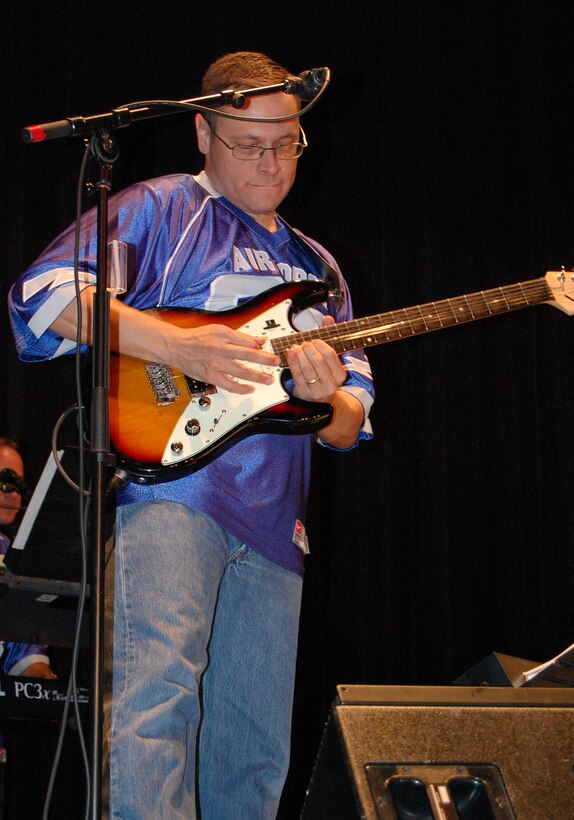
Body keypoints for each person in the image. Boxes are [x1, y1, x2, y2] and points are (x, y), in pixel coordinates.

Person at [8, 51, 375, 818]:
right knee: (157, 707)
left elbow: (350, 423)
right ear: (203, 132)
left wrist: (330, 392)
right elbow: (42, 299)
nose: (272, 161)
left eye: (287, 142)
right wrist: (177, 346)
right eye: (250, 142)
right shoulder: (163, 208)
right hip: (175, 495)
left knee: (255, 748)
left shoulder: (319, 267)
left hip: (278, 525)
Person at [0, 437, 57, 679]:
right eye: (6, 481)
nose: (14, 495)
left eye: (18, 485)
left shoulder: (10, 550)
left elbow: (20, 649)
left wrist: (41, 677)